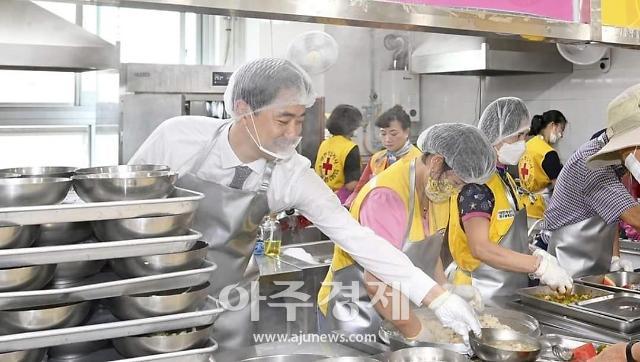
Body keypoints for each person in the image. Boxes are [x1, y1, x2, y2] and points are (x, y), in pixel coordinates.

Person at [129, 57, 481, 352]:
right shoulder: (178, 138)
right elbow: (126, 205)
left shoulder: (291, 174)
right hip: (156, 293)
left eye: (300, 120)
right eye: (284, 119)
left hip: (230, 304)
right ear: (242, 110)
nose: (294, 132)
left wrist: (436, 297)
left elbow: (355, 236)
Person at [317, 123, 495, 341]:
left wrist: (445, 289)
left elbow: (430, 254)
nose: (456, 190)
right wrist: (421, 335)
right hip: (356, 315)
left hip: (396, 314)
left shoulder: (437, 189)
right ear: (437, 162)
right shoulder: (386, 197)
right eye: (457, 182)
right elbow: (376, 282)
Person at [448, 97, 573, 306]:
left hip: (507, 294)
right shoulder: (477, 186)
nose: (523, 142)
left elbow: (501, 235)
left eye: (525, 135)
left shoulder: (503, 179)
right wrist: (539, 266)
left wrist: (534, 251)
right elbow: (481, 248)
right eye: (518, 136)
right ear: (496, 136)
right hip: (477, 295)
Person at [542, 83, 640, 277]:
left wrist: (615, 258)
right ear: (630, 145)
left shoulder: (617, 164)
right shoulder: (592, 166)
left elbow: (611, 213)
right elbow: (635, 217)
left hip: (592, 262)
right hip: (565, 264)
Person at [345, 105, 422, 207]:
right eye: (383, 133)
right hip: (377, 213)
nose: (387, 139)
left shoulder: (419, 160)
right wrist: (350, 205)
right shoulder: (377, 158)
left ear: (406, 132)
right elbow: (360, 189)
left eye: (393, 134)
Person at [518, 110, 568, 226]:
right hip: (540, 210)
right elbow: (560, 188)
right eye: (561, 129)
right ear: (553, 125)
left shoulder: (526, 145)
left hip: (523, 207)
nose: (561, 135)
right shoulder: (547, 153)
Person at [314, 104, 362, 204]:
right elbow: (351, 185)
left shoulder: (324, 144)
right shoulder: (350, 147)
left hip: (321, 198)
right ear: (353, 126)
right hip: (340, 201)